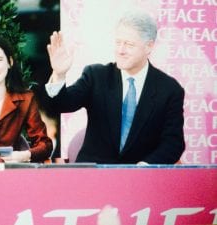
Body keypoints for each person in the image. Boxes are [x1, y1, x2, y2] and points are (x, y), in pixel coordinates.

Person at [45, 10, 185, 164]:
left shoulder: (170, 90)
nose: (121, 50)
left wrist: (146, 167)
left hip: (141, 180)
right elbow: (60, 104)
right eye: (118, 42)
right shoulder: (96, 76)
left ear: (149, 46)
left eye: (129, 44)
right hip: (95, 177)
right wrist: (59, 75)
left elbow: (173, 143)